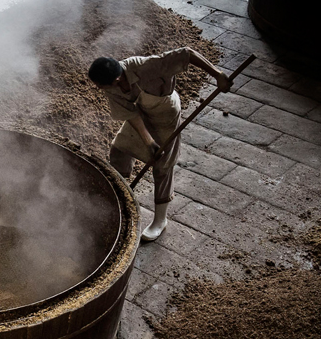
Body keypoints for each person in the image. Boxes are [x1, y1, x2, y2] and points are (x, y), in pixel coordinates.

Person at [88, 47, 231, 241]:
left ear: (116, 79)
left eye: (100, 86)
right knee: (120, 150)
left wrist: (218, 75)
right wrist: (148, 141)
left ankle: (160, 221)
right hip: (142, 114)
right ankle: (117, 199)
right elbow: (131, 114)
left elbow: (187, 54)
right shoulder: (112, 86)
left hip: (165, 114)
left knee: (162, 166)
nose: (99, 89)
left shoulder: (146, 66)